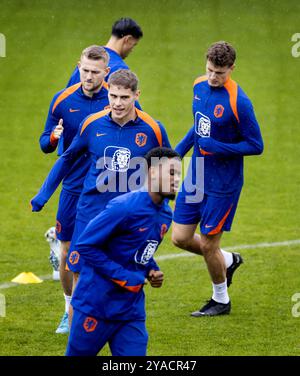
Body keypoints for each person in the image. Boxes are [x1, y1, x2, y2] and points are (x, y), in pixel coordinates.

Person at [31, 69, 172, 313]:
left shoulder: (153, 129)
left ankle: (116, 330)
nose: (117, 103)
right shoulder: (92, 123)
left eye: (124, 98)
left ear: (136, 95)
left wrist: (163, 205)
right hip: (91, 211)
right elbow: (67, 158)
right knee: (81, 276)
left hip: (128, 216)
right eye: (113, 96)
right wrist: (44, 194)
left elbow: (169, 166)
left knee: (125, 276)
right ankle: (78, 339)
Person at [172, 41, 264, 316]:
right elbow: (199, 125)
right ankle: (228, 260)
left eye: (220, 73)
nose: (213, 77)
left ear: (232, 69)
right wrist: (176, 152)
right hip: (197, 174)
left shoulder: (239, 102)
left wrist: (219, 147)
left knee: (210, 243)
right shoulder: (198, 86)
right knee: (180, 237)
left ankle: (221, 300)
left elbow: (256, 145)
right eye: (210, 70)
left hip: (223, 185)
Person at [65, 147, 181, 356]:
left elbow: (139, 249)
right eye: (172, 173)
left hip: (131, 310)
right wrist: (124, 277)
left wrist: (151, 269)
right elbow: (85, 245)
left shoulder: (166, 214)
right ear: (152, 172)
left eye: (179, 174)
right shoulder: (124, 207)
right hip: (96, 304)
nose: (177, 179)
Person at [39, 45, 110, 333]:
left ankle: (93, 308)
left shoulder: (116, 98)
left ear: (106, 72)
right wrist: (53, 139)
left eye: (95, 72)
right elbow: (44, 143)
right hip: (72, 185)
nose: (89, 76)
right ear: (77, 66)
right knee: (69, 253)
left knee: (98, 249)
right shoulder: (63, 100)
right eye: (85, 70)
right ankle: (69, 310)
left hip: (105, 186)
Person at [67, 17, 143, 87]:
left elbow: (67, 93)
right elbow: (124, 100)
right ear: (128, 39)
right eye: (134, 45)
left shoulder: (87, 61)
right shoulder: (119, 68)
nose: (132, 50)